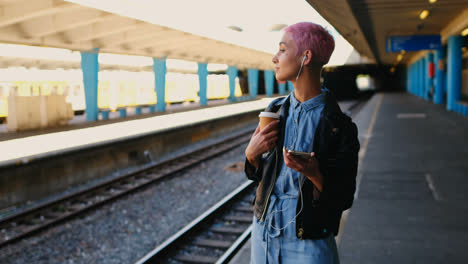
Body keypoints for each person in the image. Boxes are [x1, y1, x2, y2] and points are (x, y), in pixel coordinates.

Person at [244, 22, 360, 263]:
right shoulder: (274, 110)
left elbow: (344, 197)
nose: (275, 58)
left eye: (282, 50)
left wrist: (315, 173)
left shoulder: (339, 126)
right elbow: (258, 175)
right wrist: (251, 155)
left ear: (305, 57)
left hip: (309, 239)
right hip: (264, 231)